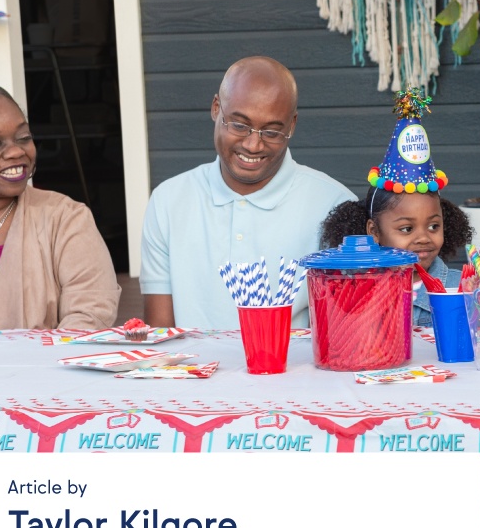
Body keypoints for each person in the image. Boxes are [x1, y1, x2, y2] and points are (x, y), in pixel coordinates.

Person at [140, 56, 355, 329]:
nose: (253, 145)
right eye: (239, 125)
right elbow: (161, 335)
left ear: (292, 126)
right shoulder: (169, 201)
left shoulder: (334, 204)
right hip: (190, 370)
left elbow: (345, 331)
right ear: (216, 108)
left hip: (291, 370)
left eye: (272, 131)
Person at [0, 48, 120, 330]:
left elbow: (90, 314)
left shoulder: (66, 218)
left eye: (24, 137)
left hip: (34, 372)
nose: (15, 152)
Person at [321, 189, 471, 326]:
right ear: (374, 231)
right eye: (407, 229)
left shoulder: (463, 288)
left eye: (433, 226)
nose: (424, 238)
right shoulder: (352, 289)